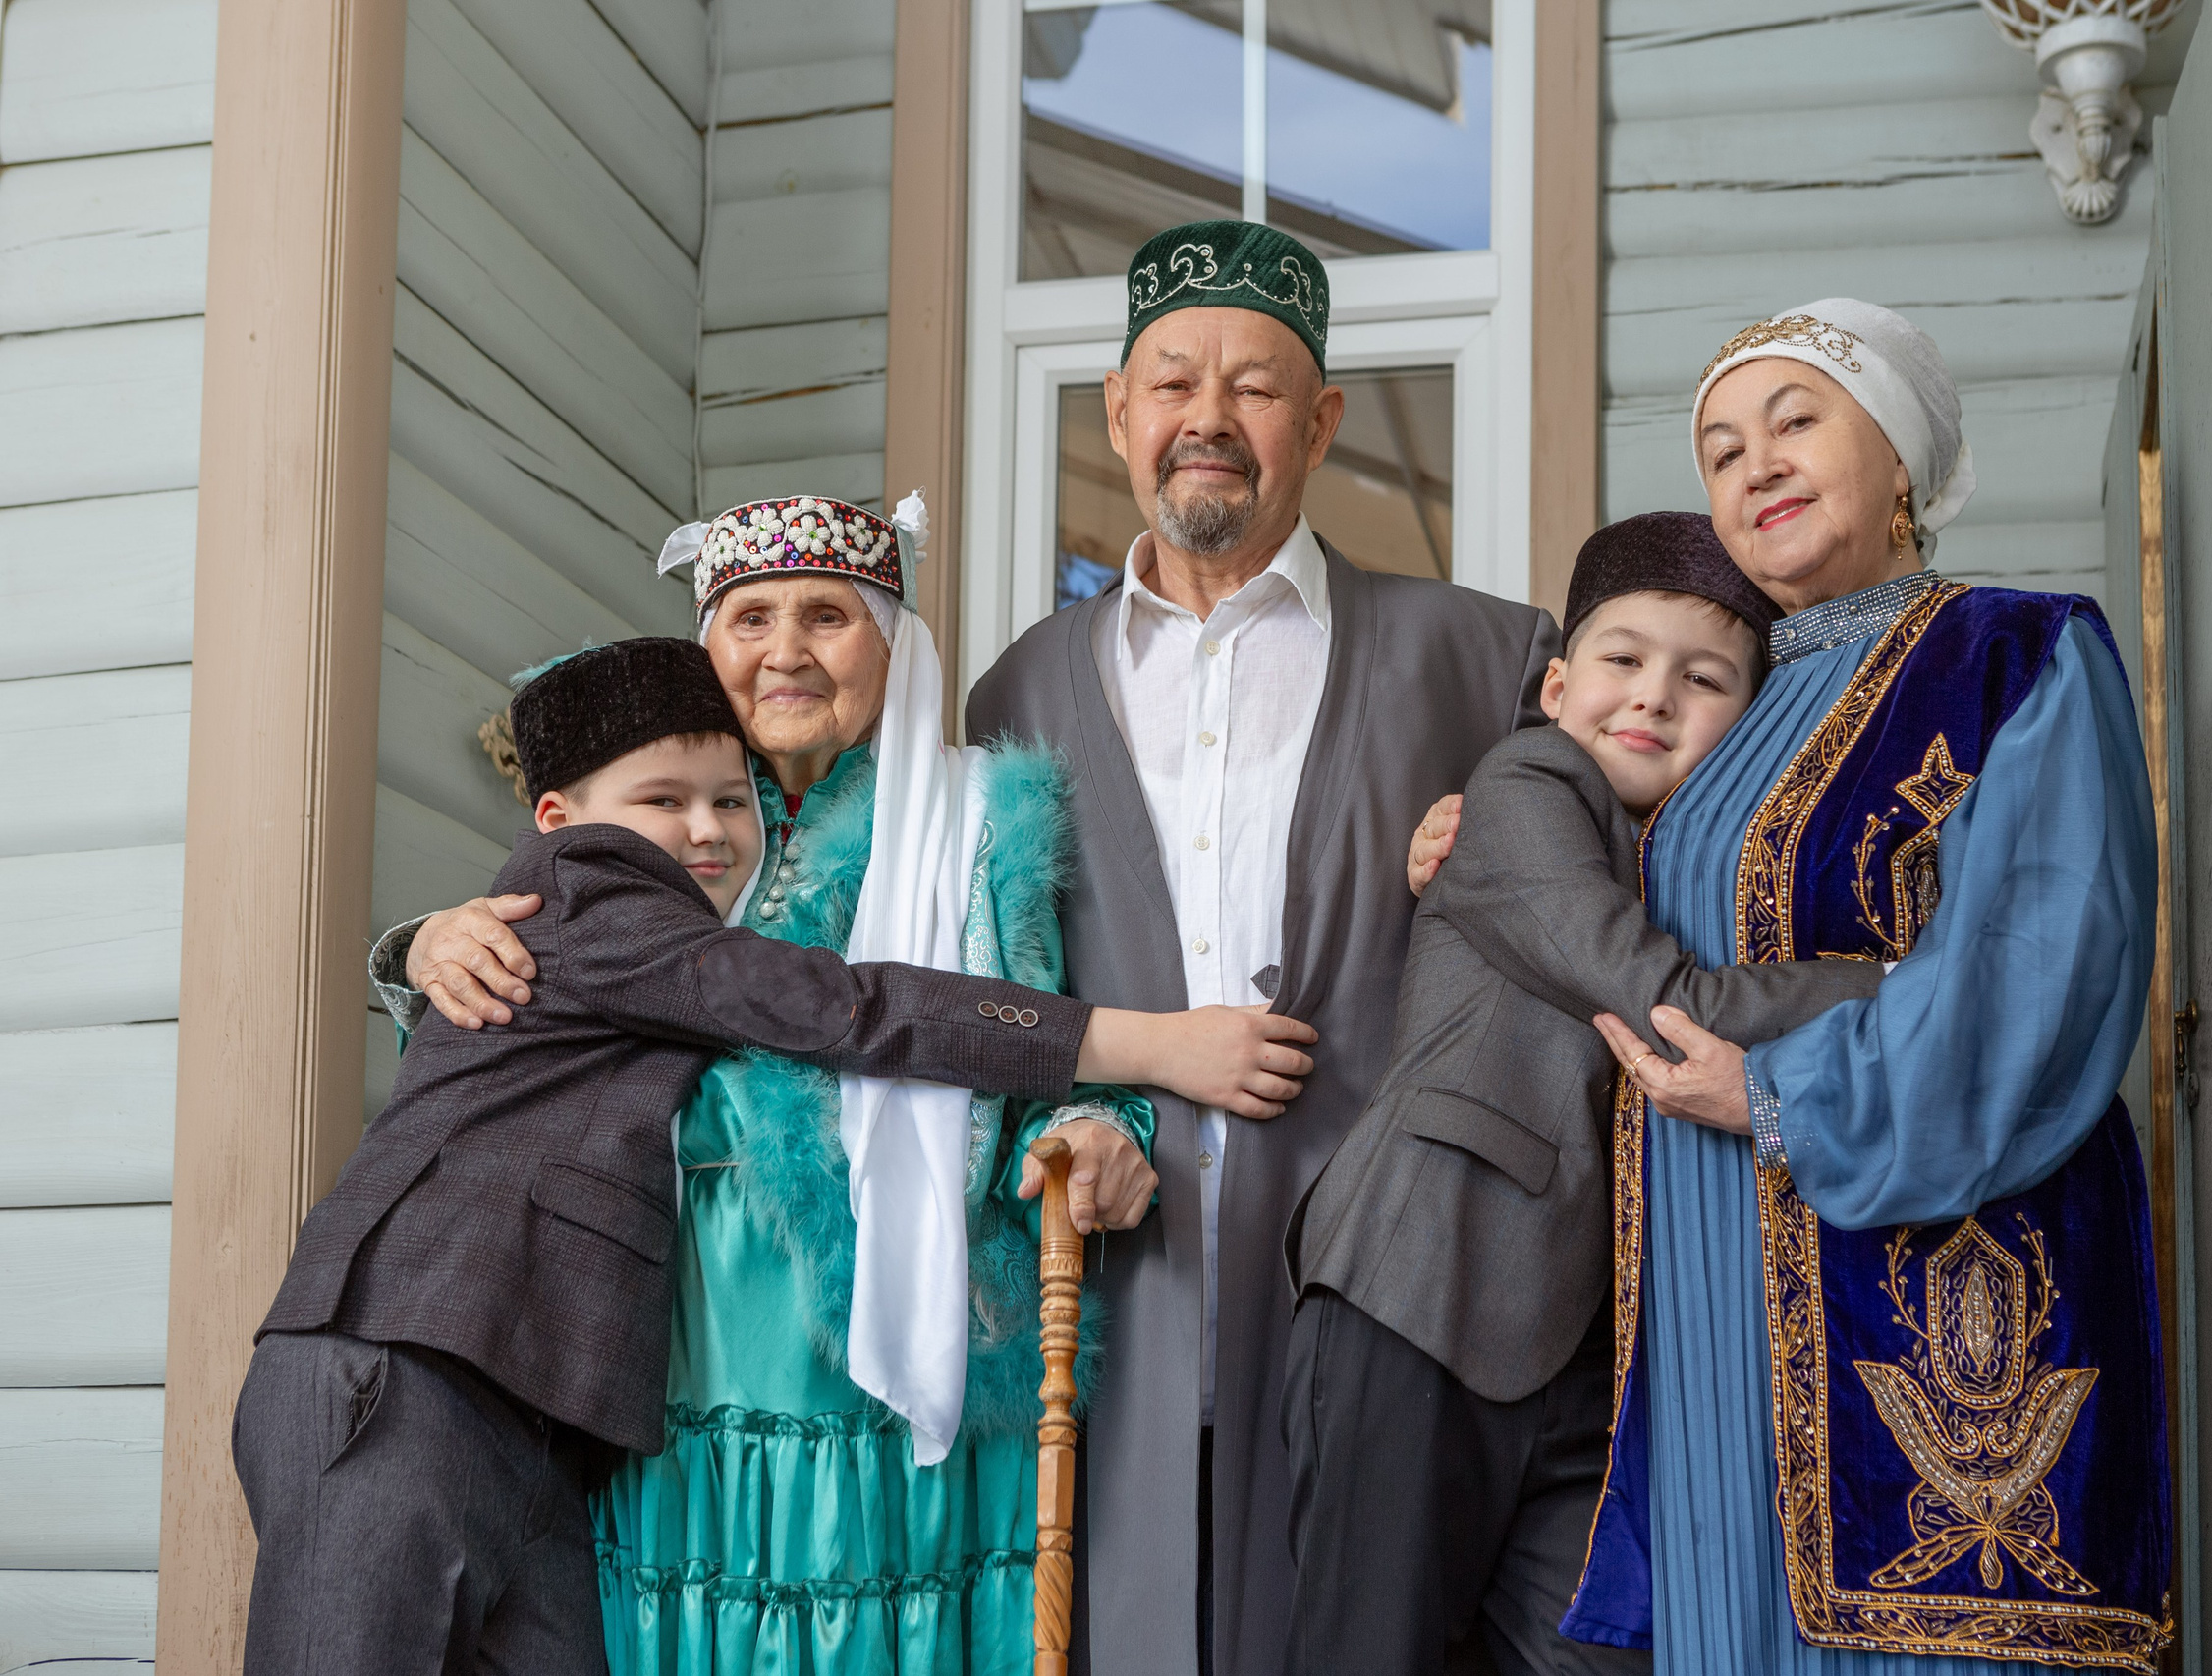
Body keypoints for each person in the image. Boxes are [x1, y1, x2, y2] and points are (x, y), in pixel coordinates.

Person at [371, 496, 1317, 1674]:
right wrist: (425, 944)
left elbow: (1054, 1029)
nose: (786, 650)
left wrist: (1097, 1125)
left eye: (826, 615)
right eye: (749, 618)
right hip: (668, 1351)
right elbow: (529, 1011)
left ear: (890, 638)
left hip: (909, 1329)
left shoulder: (987, 820)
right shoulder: (654, 813)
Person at [235, 636, 1161, 1673]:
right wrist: (1155, 1045)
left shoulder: (928, 834)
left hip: (547, 1419)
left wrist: (1108, 1111)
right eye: (666, 801)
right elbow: (844, 1006)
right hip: (413, 1367)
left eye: (731, 800)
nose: (707, 827)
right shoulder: (595, 896)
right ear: (559, 818)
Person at [1473, 301, 2169, 1673]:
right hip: (1711, 1290)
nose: (1758, 467)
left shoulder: (2013, 653)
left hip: (1936, 1281)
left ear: (1899, 458)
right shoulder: (1727, 705)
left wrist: (1775, 1090)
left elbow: (2035, 977)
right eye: (1723, 450)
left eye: (1796, 422)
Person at [963, 218, 1556, 1676]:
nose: (1208, 418)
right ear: (1119, 412)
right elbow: (987, 983)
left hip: (1393, 1298)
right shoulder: (1013, 697)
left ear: (1324, 422)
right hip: (1114, 1290)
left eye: (1256, 386)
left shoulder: (1490, 660)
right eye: (1172, 383)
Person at [1282, 513, 1885, 1675]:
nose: (1653, 694)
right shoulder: (1524, 783)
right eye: (1623, 658)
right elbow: (1664, 1000)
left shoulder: (1699, 859)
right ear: (1557, 687)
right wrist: (1903, 985)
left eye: (1702, 678)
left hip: (1589, 1365)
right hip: (1422, 1296)